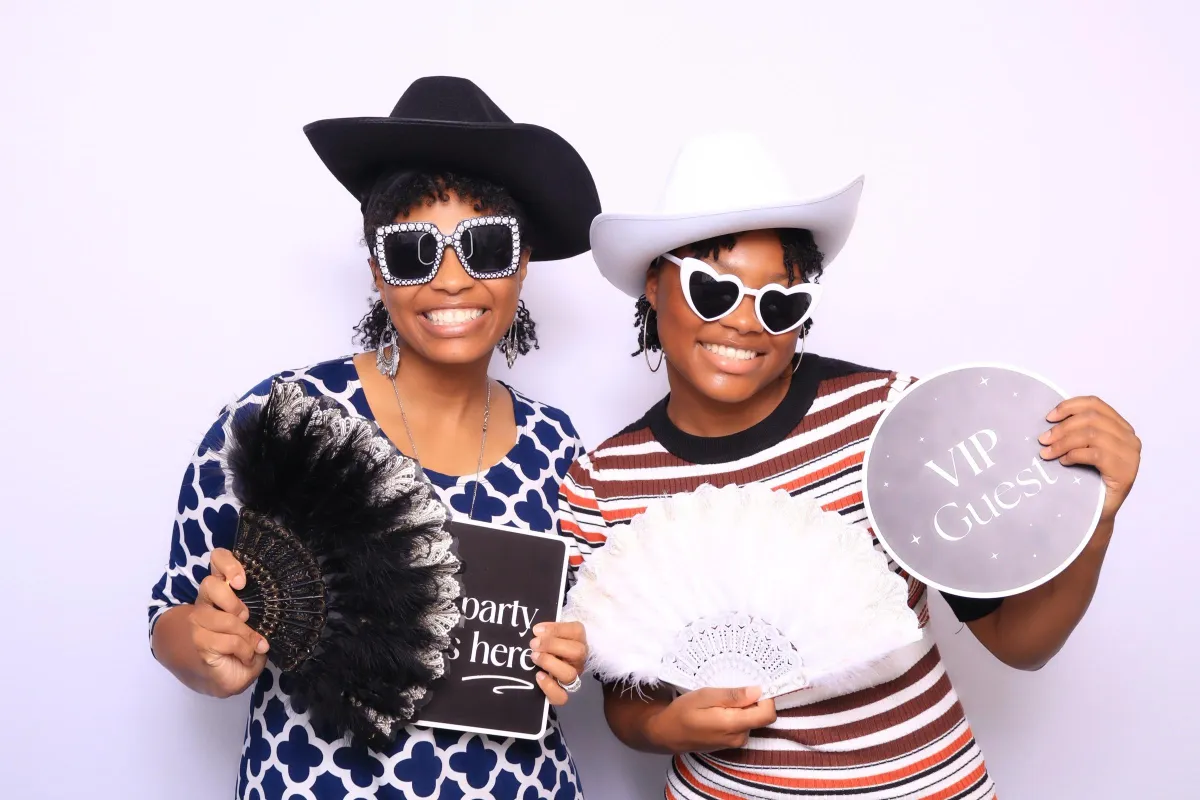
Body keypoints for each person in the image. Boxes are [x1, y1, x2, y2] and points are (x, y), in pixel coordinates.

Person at [559, 132, 1141, 799]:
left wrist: (1095, 522)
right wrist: (666, 728)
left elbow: (1020, 645)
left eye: (780, 302)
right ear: (654, 287)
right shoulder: (602, 483)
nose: (748, 323)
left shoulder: (891, 420)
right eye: (714, 291)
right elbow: (627, 705)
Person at [148, 76, 601, 799]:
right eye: (414, 250)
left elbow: (582, 632)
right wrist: (202, 650)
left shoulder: (559, 446)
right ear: (375, 271)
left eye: (484, 245)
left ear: (522, 264)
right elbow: (172, 612)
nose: (450, 280)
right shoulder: (283, 420)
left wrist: (570, 654)